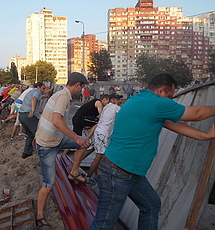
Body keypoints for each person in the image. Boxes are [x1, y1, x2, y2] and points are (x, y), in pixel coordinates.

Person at [89, 73, 215, 230]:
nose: (171, 100)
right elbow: (197, 114)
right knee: (103, 224)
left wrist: (205, 136)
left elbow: (175, 125)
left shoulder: (138, 99)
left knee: (151, 205)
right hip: (117, 174)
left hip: (129, 173)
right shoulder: (156, 103)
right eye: (170, 95)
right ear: (161, 91)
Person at [35, 72, 90, 229]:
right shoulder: (63, 97)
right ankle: (40, 216)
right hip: (48, 146)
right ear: (77, 85)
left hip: (55, 140)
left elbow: (44, 115)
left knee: (83, 144)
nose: (82, 91)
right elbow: (56, 121)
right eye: (82, 87)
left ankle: (74, 172)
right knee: (48, 183)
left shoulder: (59, 94)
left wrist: (38, 133)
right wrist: (76, 137)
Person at [87, 93, 122, 177]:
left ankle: (95, 175)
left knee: (100, 155)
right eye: (118, 99)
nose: (119, 101)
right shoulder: (114, 107)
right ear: (113, 100)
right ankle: (89, 176)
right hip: (103, 134)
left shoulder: (107, 107)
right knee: (99, 157)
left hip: (100, 133)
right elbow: (124, 114)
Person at [19, 82, 46, 159]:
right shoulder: (36, 91)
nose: (43, 91)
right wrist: (32, 111)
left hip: (22, 115)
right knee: (38, 133)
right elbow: (34, 99)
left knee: (30, 134)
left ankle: (26, 153)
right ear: (38, 87)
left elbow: (38, 108)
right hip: (28, 115)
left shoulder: (31, 91)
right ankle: (43, 153)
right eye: (43, 88)